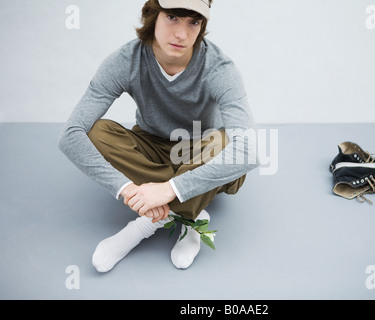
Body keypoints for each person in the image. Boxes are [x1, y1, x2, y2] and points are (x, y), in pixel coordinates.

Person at [58, 0, 258, 272]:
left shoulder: (219, 68)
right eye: (173, 17)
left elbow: (249, 151)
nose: (182, 34)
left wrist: (167, 189)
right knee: (97, 131)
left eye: (194, 22)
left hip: (201, 151)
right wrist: (127, 189)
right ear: (152, 15)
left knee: (223, 143)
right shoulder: (125, 60)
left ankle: (145, 226)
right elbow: (70, 135)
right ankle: (192, 209)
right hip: (151, 146)